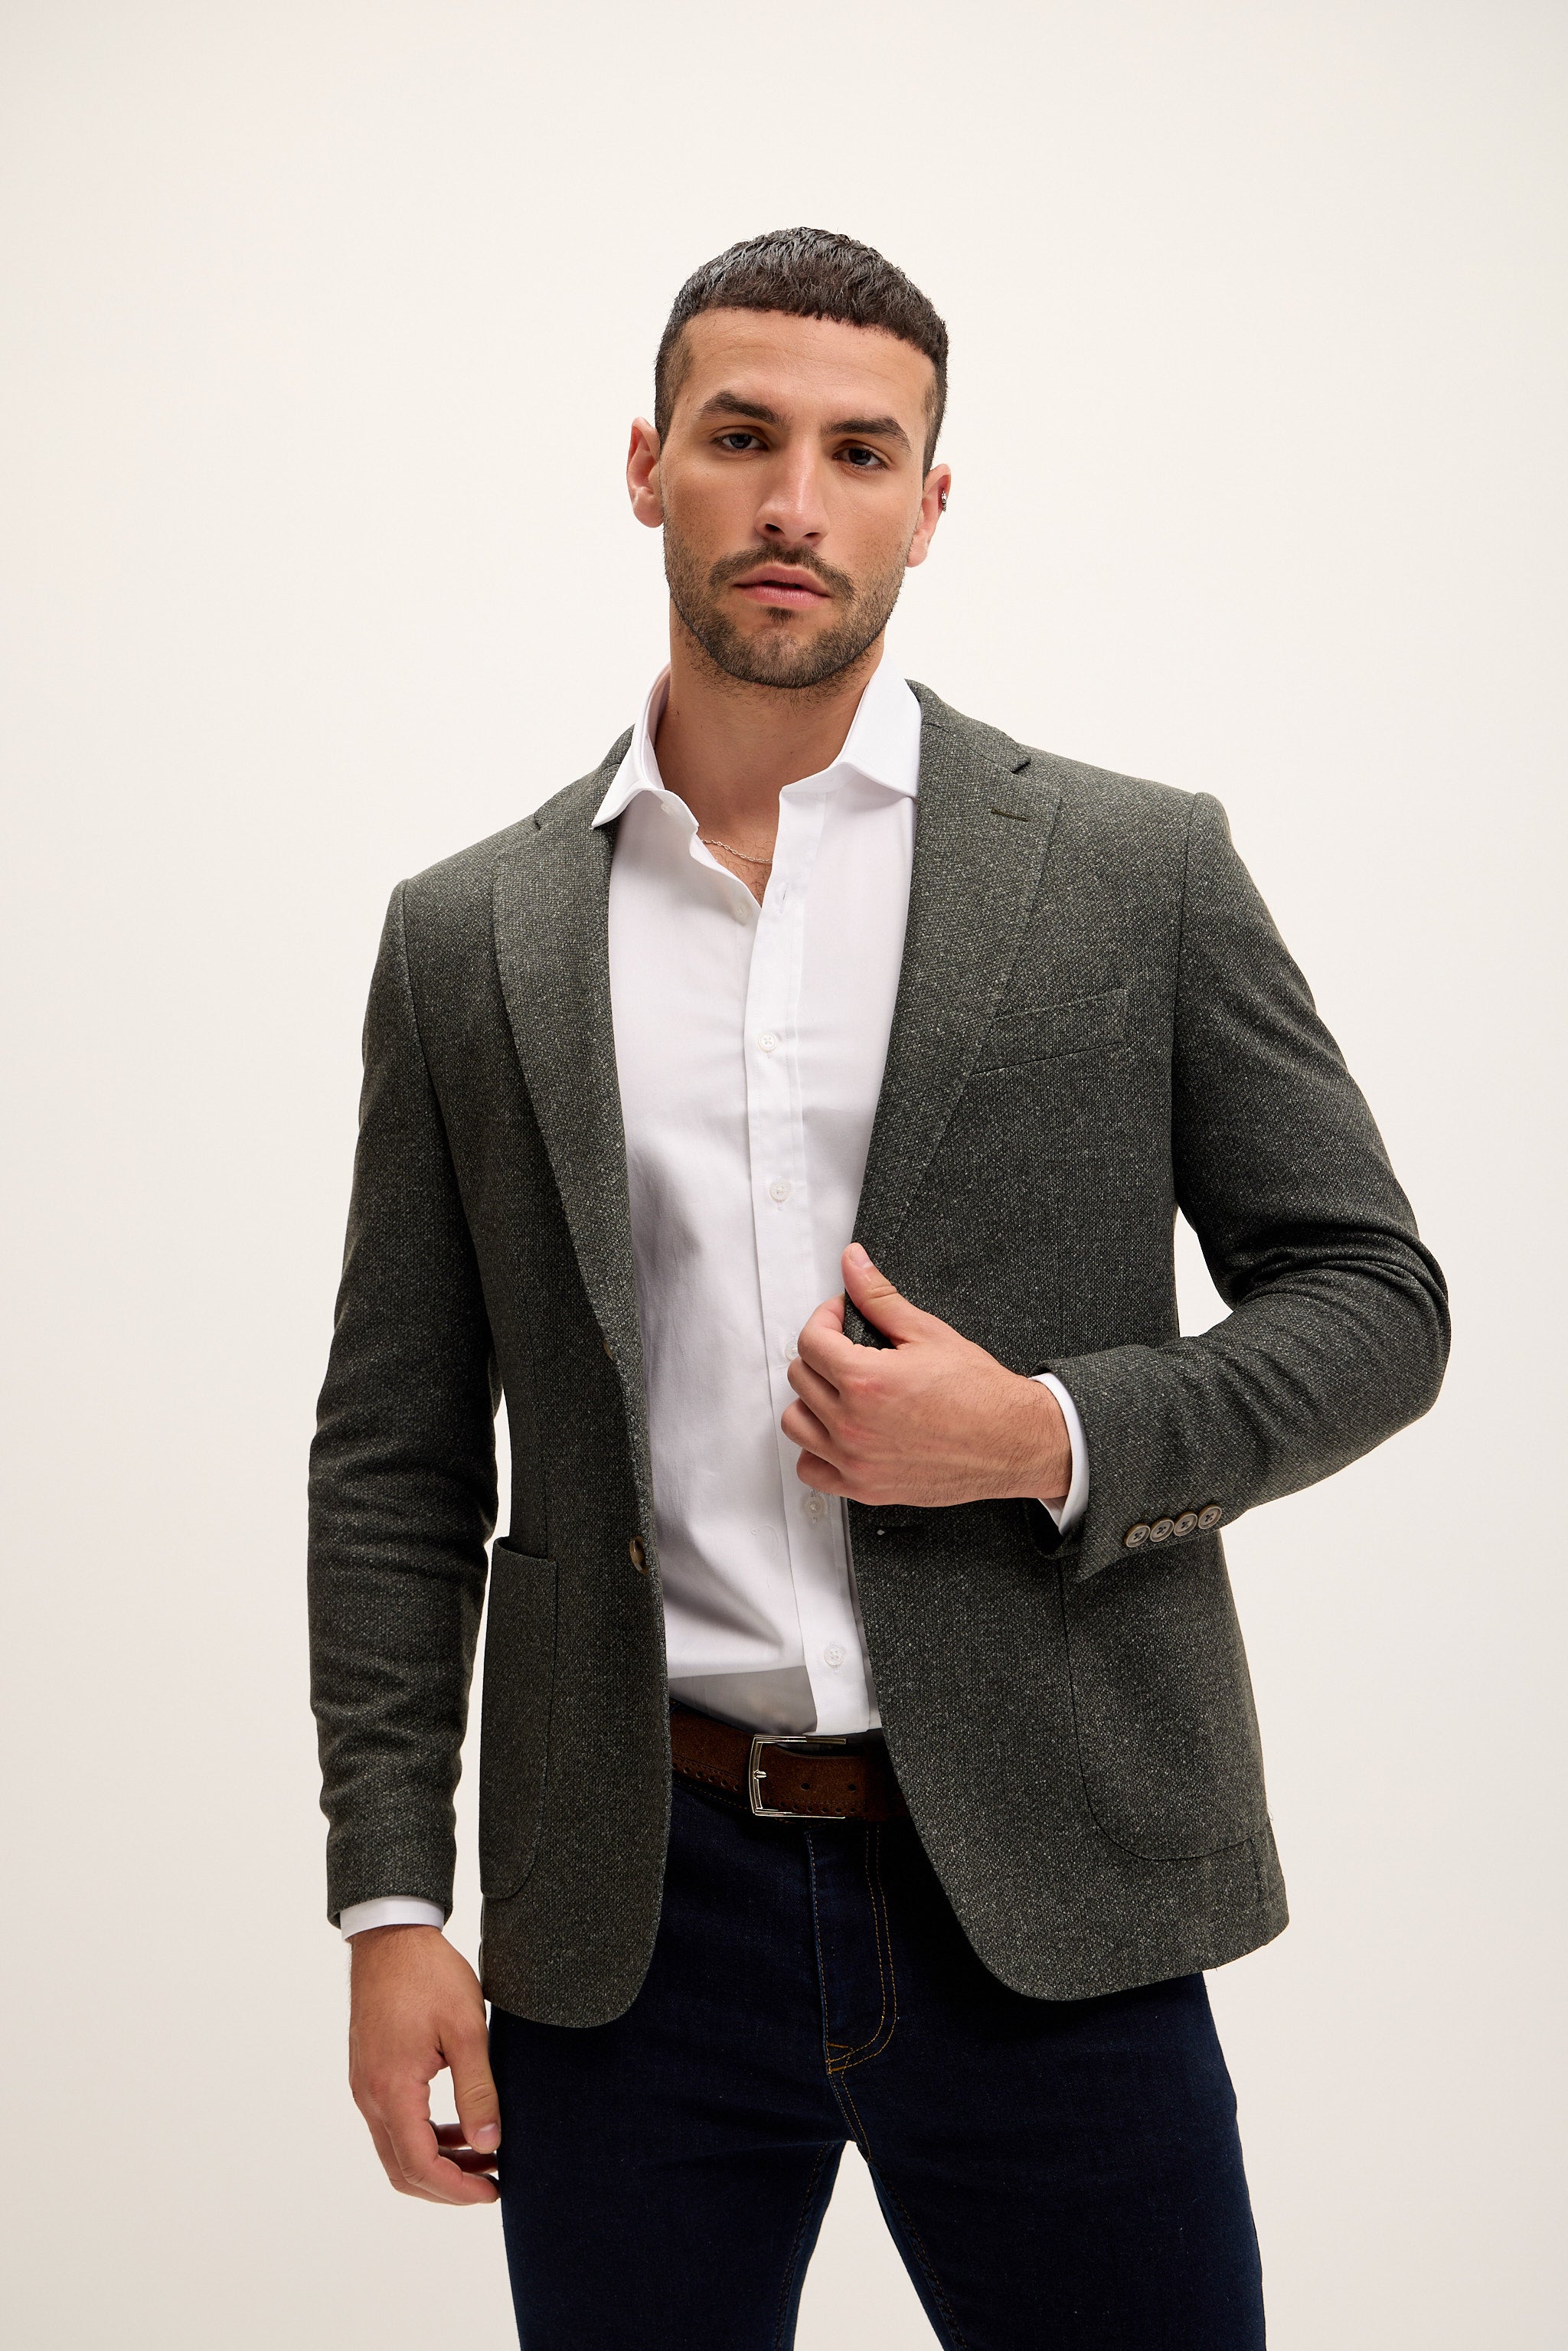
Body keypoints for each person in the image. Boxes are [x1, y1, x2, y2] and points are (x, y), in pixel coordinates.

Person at [309, 227, 1449, 2349]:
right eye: (741, 437)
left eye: (858, 453)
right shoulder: (472, 935)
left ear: (931, 503)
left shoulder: (1130, 869)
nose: (793, 502)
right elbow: (393, 1457)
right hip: (631, 1912)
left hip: (1048, 1888)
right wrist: (391, 1900)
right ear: (646, 466)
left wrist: (1047, 1434)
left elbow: (1374, 1296)